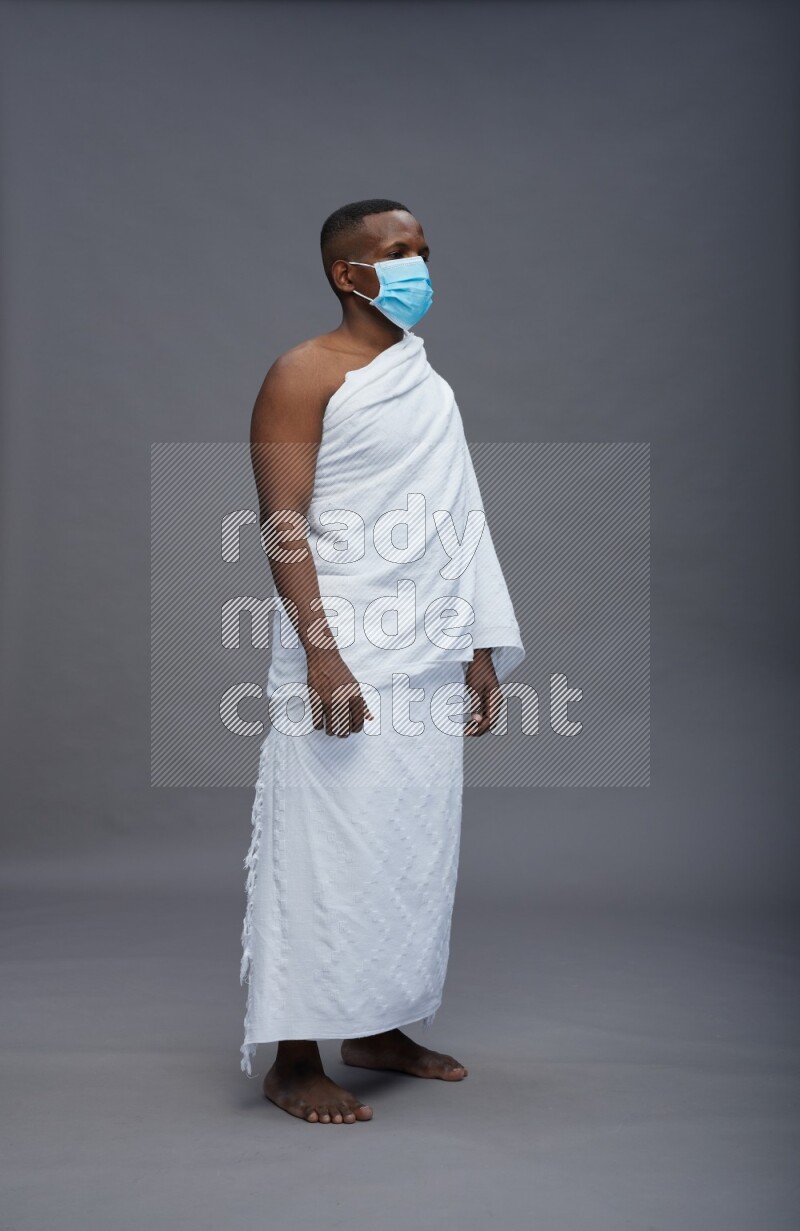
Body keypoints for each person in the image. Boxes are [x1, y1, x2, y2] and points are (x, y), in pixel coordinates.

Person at [240, 198, 524, 1123]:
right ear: (345, 272)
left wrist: (480, 643)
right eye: (397, 252)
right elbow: (284, 525)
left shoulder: (426, 384)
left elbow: (459, 519)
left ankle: (379, 1027)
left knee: (412, 846)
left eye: (424, 250)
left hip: (429, 650)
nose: (418, 265)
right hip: (344, 646)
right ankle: (294, 1055)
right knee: (323, 847)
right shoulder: (303, 373)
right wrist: (324, 657)